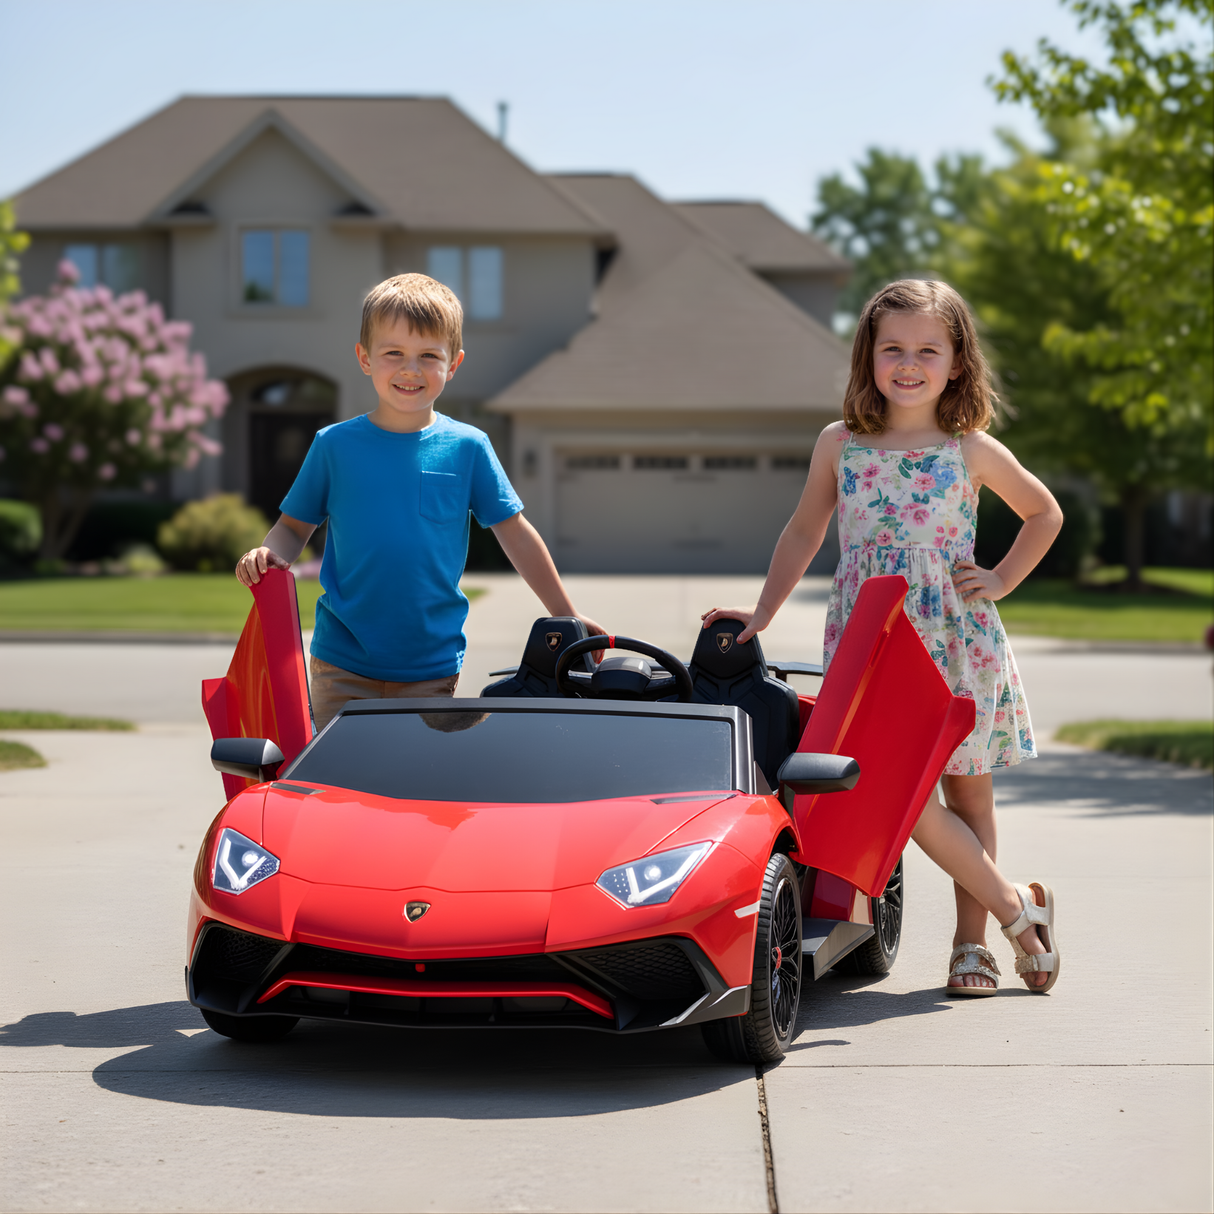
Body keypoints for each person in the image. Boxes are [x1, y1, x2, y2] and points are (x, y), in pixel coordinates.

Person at [701, 279, 1063, 995]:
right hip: (873, 647)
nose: (908, 362)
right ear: (868, 356)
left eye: (928, 349)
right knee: (902, 797)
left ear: (957, 361)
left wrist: (1001, 578)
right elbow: (805, 529)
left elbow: (1043, 514)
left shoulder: (972, 449)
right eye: (892, 347)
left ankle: (972, 946)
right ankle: (1019, 908)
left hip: (956, 642)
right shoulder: (842, 445)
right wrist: (763, 613)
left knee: (969, 798)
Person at [236, 273, 603, 730]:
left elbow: (516, 535)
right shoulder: (333, 446)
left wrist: (566, 616)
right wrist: (271, 554)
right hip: (340, 665)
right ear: (365, 358)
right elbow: (293, 527)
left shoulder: (468, 447)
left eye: (429, 356)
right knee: (341, 791)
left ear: (454, 365)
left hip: (430, 668)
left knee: (412, 794)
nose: (411, 369)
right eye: (394, 354)